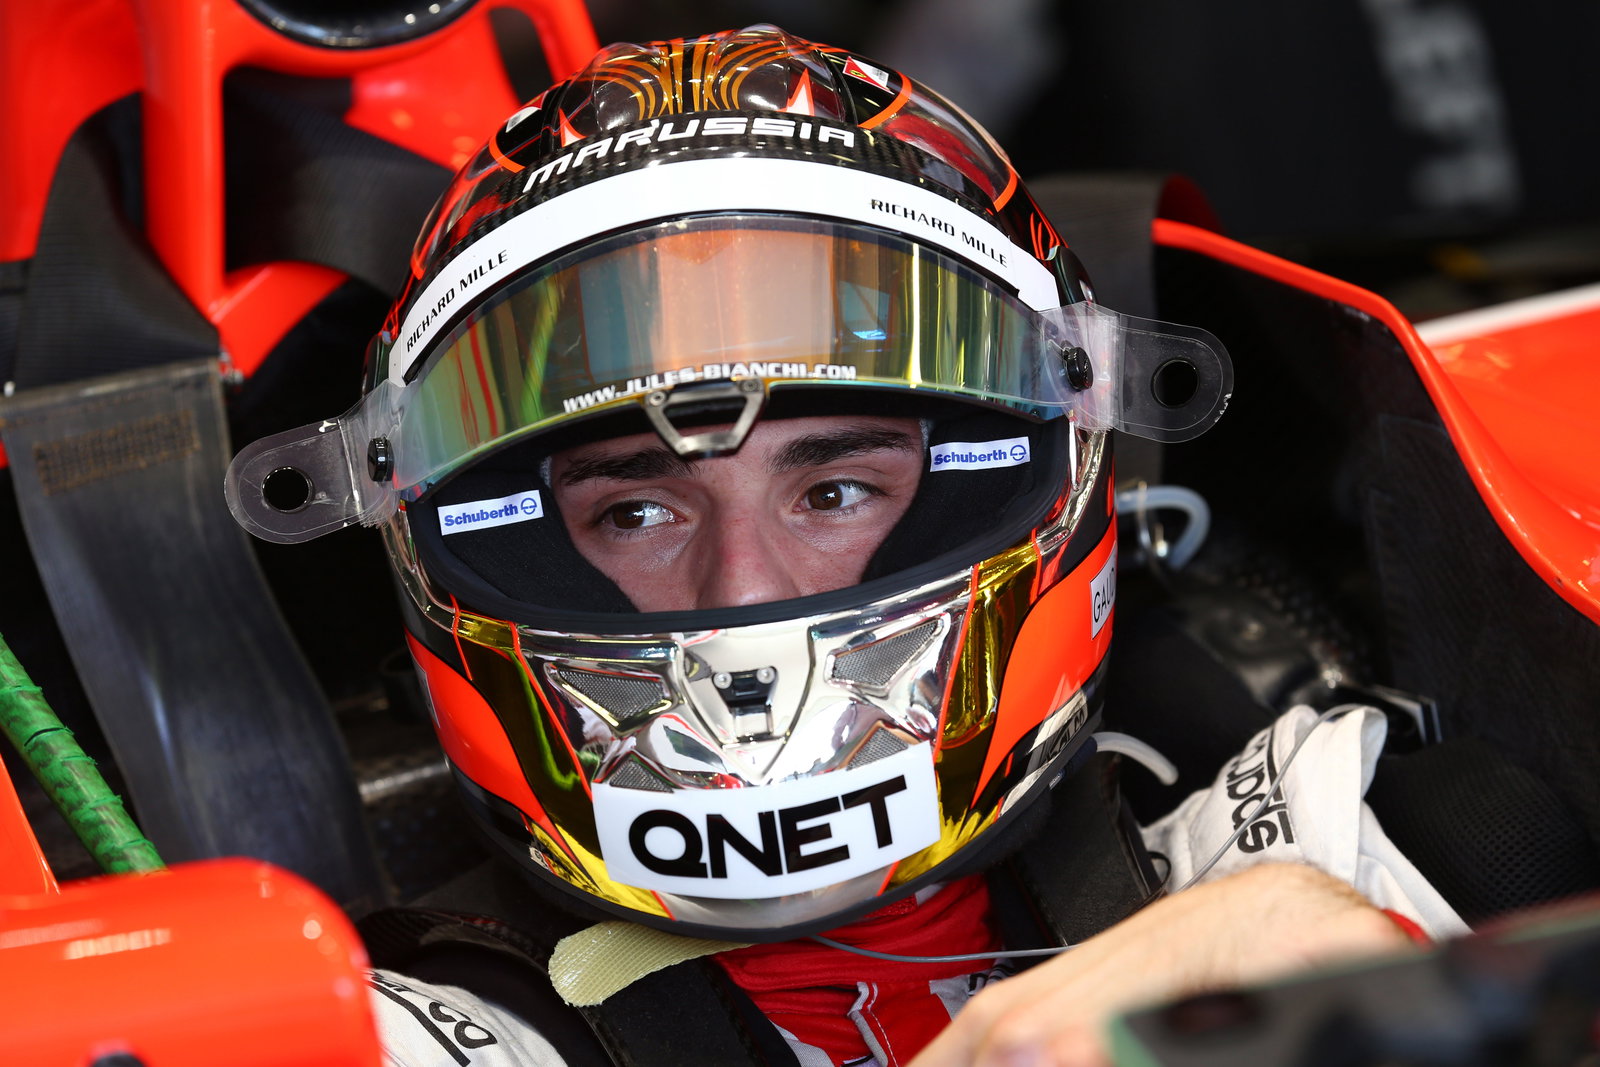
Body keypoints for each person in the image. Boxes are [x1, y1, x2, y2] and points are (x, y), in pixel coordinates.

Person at [225, 24, 1464, 1066]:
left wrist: (1427, 1014)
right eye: (635, 512)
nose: (744, 592)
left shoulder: (1347, 852)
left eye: (832, 491)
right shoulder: (383, 1035)